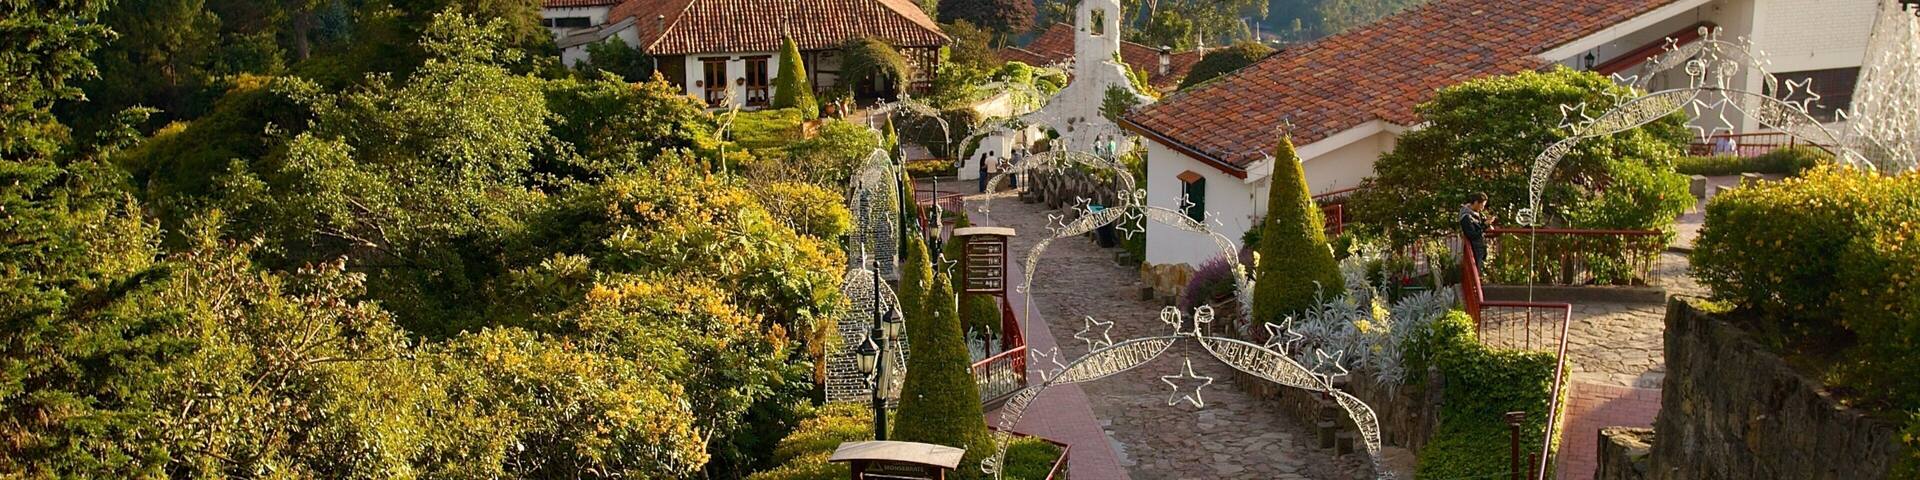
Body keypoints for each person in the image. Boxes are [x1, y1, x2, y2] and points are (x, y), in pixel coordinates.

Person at [1459, 192, 1495, 274]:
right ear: (1476, 202)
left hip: (1479, 248)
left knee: (1478, 271)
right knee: (1474, 272)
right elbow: (1472, 234)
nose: (1483, 207)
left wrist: (1486, 223)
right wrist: (1485, 225)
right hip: (1474, 249)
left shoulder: (1476, 215)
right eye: (1482, 204)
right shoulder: (1466, 217)